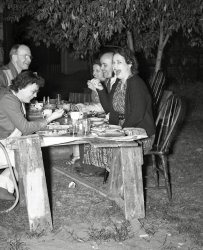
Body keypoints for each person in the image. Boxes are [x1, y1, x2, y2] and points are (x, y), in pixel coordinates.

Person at [0, 70, 64, 199]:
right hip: (2, 146)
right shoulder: (9, 100)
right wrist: (49, 119)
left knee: (28, 151)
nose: (35, 95)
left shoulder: (11, 95)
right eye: (33, 91)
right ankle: (35, 200)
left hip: (6, 141)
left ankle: (3, 185)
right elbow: (25, 128)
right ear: (20, 87)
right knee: (30, 156)